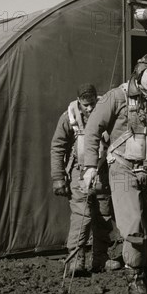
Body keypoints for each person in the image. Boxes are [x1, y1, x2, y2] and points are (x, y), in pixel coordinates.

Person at [83, 53, 147, 294]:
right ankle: (135, 281)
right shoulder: (116, 96)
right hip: (121, 168)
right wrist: (88, 167)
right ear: (138, 72)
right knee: (133, 226)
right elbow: (92, 129)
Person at [51, 83, 115, 275]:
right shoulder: (68, 118)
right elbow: (57, 147)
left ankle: (101, 258)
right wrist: (58, 177)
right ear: (79, 101)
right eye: (85, 105)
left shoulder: (107, 112)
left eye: (92, 103)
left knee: (104, 215)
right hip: (78, 174)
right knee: (81, 215)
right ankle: (75, 259)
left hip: (103, 173)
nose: (89, 108)